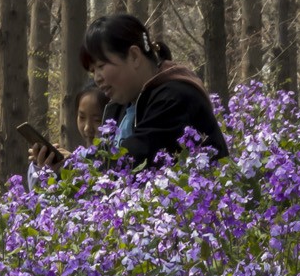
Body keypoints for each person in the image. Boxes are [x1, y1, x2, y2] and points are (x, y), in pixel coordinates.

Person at [29, 13, 228, 170]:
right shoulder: (121, 105)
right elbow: (107, 161)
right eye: (92, 71)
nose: (97, 78)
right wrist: (63, 167)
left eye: (101, 65)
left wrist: (77, 165)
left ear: (134, 56)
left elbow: (134, 158)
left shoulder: (176, 97)